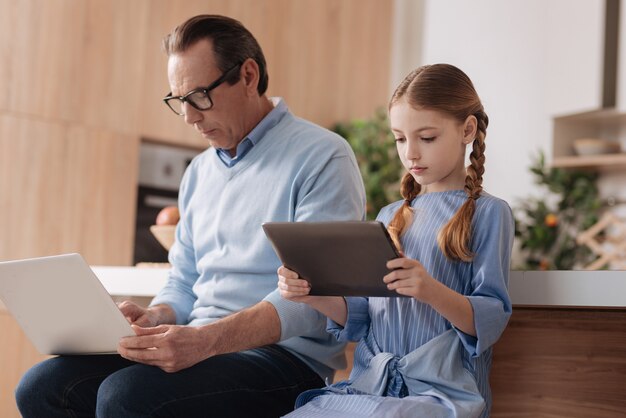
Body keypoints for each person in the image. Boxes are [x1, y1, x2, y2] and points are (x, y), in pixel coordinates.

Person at [16, 14, 366, 418]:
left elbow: (311, 300)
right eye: (179, 100)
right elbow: (184, 281)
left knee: (126, 394)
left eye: (200, 95)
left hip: (285, 361)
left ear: (248, 75)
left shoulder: (323, 156)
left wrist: (205, 340)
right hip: (201, 345)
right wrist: (156, 316)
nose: (189, 116)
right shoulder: (199, 172)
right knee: (42, 387)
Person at [277, 63, 514, 418]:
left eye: (427, 138)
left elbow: (490, 318)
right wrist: (313, 295)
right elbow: (365, 317)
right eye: (400, 138)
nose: (411, 154)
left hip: (443, 393)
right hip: (373, 386)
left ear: (467, 130)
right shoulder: (389, 217)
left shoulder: (490, 213)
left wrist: (429, 289)